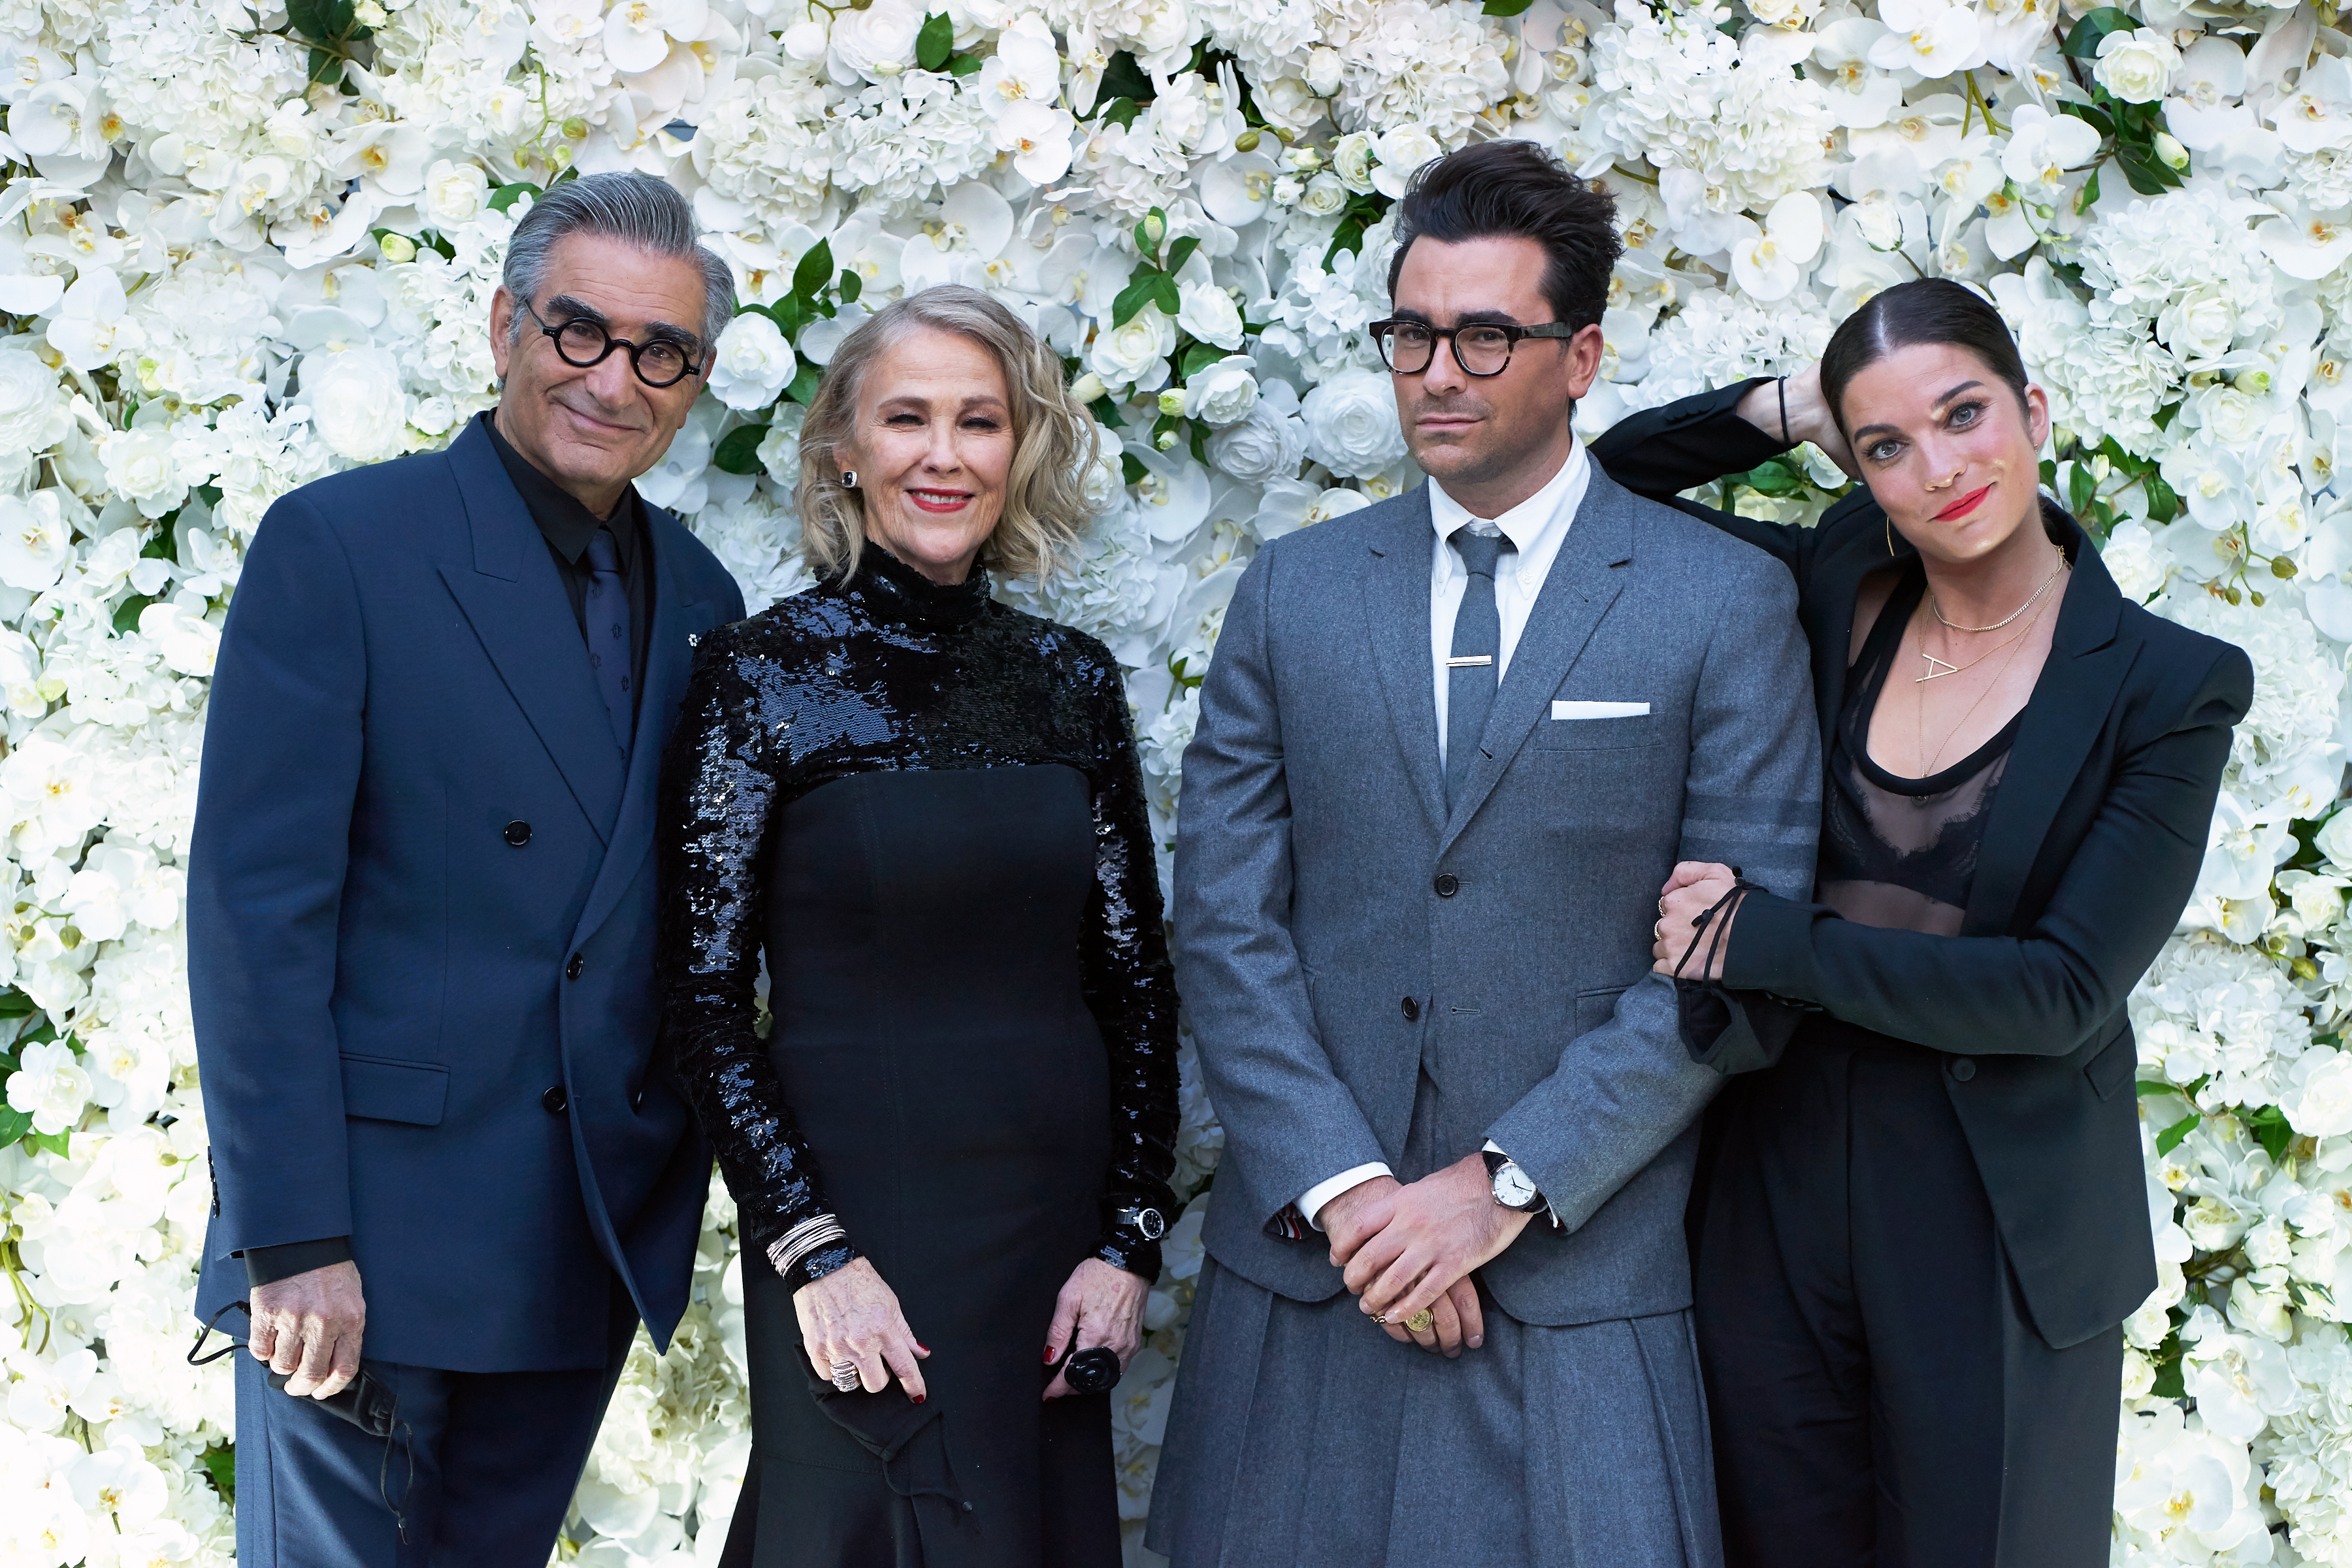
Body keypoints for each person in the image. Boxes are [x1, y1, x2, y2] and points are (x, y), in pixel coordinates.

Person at [1147, 140, 1821, 1568]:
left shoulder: (1724, 603)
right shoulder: (1294, 592)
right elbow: (1223, 918)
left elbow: (1737, 962)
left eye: (1485, 336)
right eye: (1411, 333)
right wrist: (1352, 1194)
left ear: (1579, 356)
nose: (1437, 372)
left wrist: (1498, 1187)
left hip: (1575, 1278)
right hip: (1311, 1274)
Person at [1590, 277, 2254, 1567]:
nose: (1939, 468)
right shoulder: (1838, 574)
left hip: (1992, 1210)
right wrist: (1788, 409)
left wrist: (1764, 941)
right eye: (1888, 444)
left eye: (1964, 415)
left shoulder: (2171, 687)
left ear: (2036, 411)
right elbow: (1608, 496)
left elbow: (2060, 993)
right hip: (1774, 1176)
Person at [188, 172, 747, 1564]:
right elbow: (258, 916)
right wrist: (293, 1235)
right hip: (364, 1246)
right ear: (506, 324)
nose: (616, 380)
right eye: (580, 332)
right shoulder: (344, 545)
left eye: (660, 352)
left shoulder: (704, 599)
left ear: (694, 382)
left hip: (576, 1242)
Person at [657, 284, 1179, 1568]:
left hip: (1052, 1245)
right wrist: (814, 1252)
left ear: (1023, 447)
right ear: (846, 444)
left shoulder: (1069, 680)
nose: (944, 455)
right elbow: (704, 1000)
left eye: (979, 422)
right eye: (907, 418)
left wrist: (1127, 1242)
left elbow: (1134, 981)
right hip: (855, 1235)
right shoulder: (758, 677)